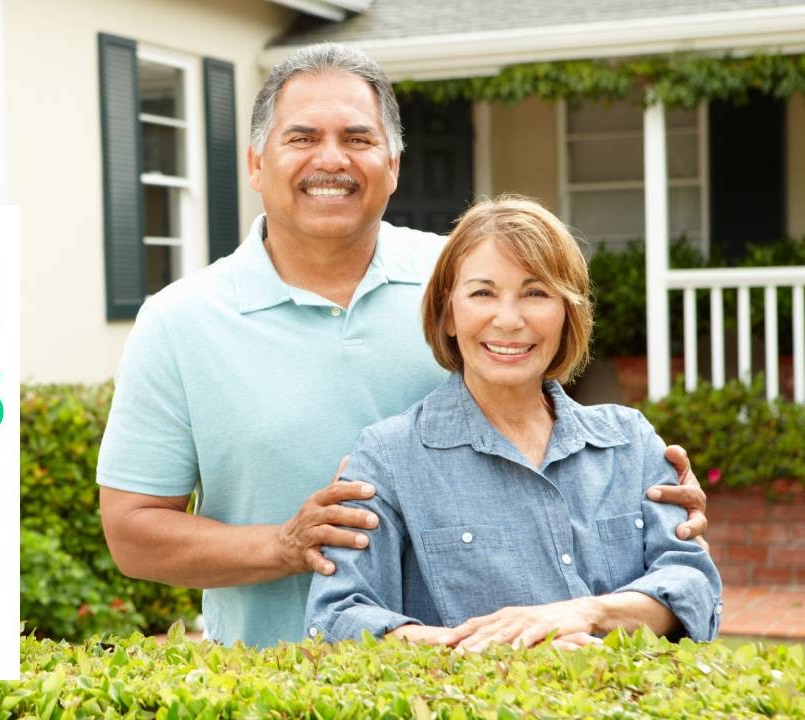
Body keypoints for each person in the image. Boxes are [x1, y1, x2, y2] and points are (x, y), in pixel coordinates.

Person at [96, 42, 710, 648]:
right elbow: (132, 534)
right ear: (256, 162)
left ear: (393, 164)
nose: (331, 160)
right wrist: (285, 544)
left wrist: (647, 496)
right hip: (276, 682)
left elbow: (552, 441)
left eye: (359, 139)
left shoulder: (469, 279)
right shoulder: (179, 320)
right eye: (302, 137)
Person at [304, 197, 722, 648]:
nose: (508, 320)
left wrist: (585, 614)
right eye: (483, 293)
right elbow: (337, 618)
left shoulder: (630, 441)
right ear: (448, 312)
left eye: (536, 293)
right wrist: (486, 651)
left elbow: (693, 587)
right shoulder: (387, 457)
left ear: (568, 313)